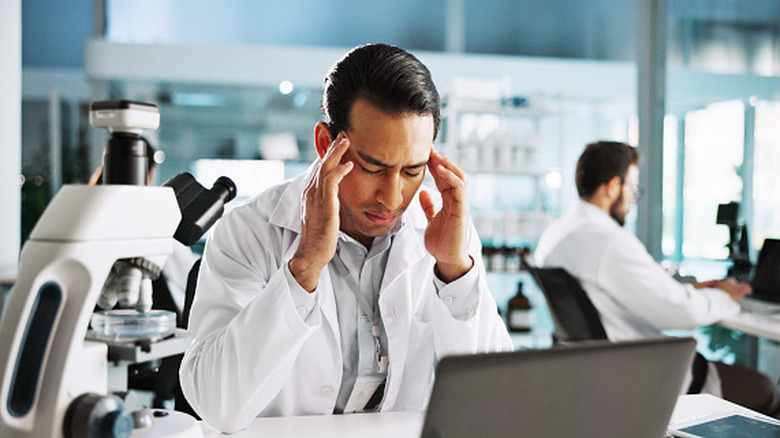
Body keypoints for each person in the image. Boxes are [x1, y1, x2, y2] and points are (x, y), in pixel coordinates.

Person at [179, 43, 513, 433]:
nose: (391, 198)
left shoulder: (444, 232)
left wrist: (456, 272)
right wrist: (302, 267)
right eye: (372, 167)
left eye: (412, 170)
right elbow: (217, 406)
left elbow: (495, 397)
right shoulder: (249, 230)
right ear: (325, 145)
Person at [534, 140, 780, 417]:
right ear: (613, 186)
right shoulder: (607, 241)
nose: (632, 201)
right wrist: (727, 296)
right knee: (766, 389)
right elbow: (680, 312)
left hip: (594, 369)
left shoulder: (555, 234)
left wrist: (688, 287)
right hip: (646, 374)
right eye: (632, 189)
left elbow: (613, 290)